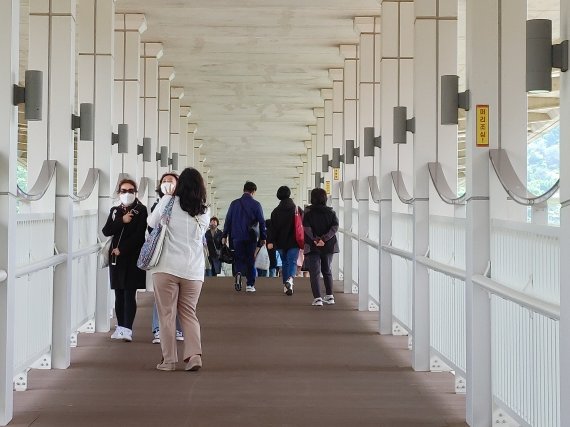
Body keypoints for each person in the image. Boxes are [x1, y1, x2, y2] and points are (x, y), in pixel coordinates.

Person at [147, 167, 210, 371]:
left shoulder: (168, 201)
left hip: (166, 267)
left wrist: (167, 197)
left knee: (167, 314)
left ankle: (169, 361)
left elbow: (151, 222)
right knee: (188, 313)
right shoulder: (205, 211)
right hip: (193, 270)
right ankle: (194, 356)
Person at [102, 179, 148, 342]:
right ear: (118, 193)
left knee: (129, 293)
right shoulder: (115, 211)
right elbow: (107, 231)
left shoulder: (141, 210)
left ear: (135, 193)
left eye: (130, 190)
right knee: (118, 293)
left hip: (132, 257)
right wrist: (122, 220)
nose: (127, 193)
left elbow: (139, 235)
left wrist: (123, 249)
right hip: (116, 259)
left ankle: (127, 328)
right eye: (123, 191)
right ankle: (120, 326)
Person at [149, 173, 184, 345]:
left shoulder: (185, 206)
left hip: (180, 257)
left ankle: (177, 328)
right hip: (162, 256)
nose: (166, 184)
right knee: (161, 297)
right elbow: (151, 225)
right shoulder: (158, 204)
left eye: (170, 181)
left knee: (180, 298)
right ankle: (158, 329)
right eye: (163, 181)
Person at [222, 181, 266, 293]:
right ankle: (250, 285)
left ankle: (238, 273)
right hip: (251, 237)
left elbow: (228, 220)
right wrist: (263, 237)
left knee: (238, 258)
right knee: (251, 259)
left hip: (236, 236)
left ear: (244, 190)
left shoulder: (234, 204)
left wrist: (224, 235)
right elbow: (262, 222)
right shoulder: (256, 205)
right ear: (253, 191)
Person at [303, 187, 339, 307]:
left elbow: (306, 228)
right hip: (328, 245)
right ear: (325, 198)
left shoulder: (308, 212)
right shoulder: (331, 212)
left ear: (312, 198)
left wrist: (316, 239)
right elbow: (335, 227)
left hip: (313, 245)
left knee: (315, 272)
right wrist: (324, 239)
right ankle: (330, 296)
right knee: (327, 270)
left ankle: (318, 298)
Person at [266, 186, 301, 296]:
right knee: (292, 262)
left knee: (285, 263)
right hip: (294, 242)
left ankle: (286, 286)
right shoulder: (296, 210)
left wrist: (270, 241)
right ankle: (290, 280)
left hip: (280, 243)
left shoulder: (275, 212)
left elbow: (272, 229)